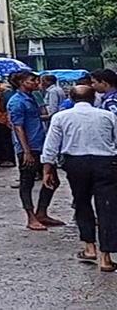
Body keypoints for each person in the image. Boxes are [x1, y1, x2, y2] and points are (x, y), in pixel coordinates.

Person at [42, 84, 117, 272]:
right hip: (105, 163)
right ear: (94, 98)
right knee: (107, 208)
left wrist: (47, 169)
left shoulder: (61, 117)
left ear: (71, 99)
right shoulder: (108, 116)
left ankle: (89, 247)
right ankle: (106, 257)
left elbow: (51, 145)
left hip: (76, 164)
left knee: (82, 203)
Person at [7, 71, 64, 231]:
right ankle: (31, 216)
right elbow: (18, 127)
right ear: (22, 82)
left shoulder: (31, 98)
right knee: (27, 182)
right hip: (29, 147)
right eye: (32, 80)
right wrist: (26, 151)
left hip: (40, 144)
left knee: (52, 179)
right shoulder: (17, 101)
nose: (36, 83)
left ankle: (42, 212)